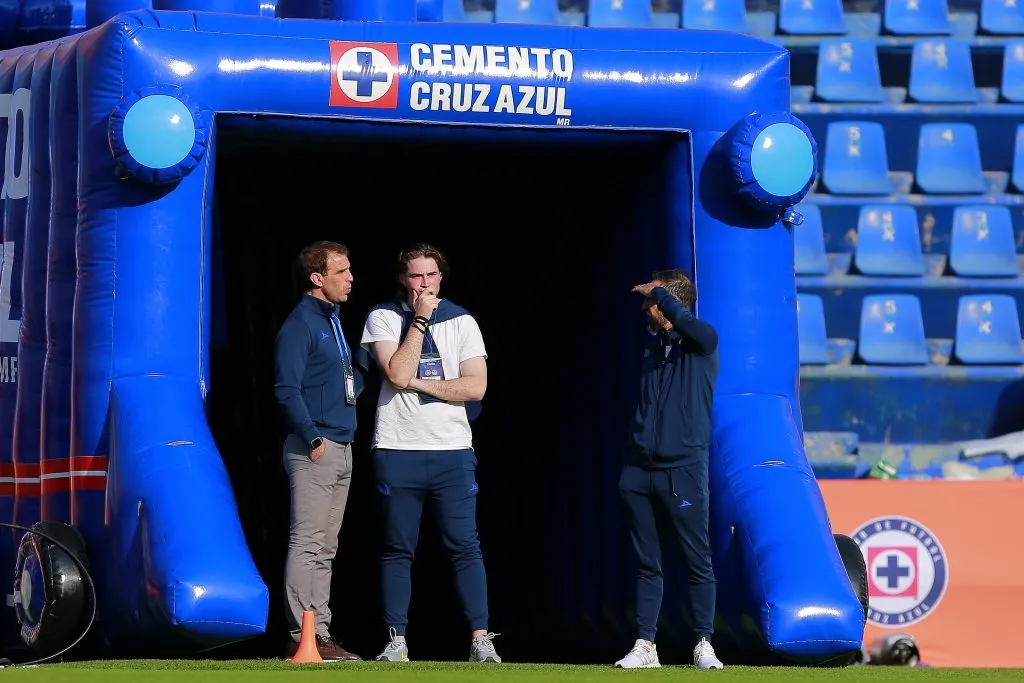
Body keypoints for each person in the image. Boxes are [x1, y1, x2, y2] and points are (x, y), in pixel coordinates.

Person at [355, 242, 501, 664]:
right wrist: (418, 320)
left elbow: (475, 387)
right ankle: (396, 639)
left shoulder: (463, 321)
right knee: (397, 547)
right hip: (398, 448)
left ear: (442, 277)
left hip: (452, 451)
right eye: (416, 276)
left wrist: (418, 384)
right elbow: (396, 371)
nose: (424, 284)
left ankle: (480, 639)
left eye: (431, 276)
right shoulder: (383, 317)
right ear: (403, 279)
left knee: (465, 545)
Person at [614, 269, 724, 671]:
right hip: (639, 470)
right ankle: (646, 645)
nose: (645, 309)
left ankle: (703, 642)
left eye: (650, 304)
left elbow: (696, 329)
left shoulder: (702, 344)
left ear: (666, 306)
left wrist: (660, 292)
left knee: (698, 560)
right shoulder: (652, 349)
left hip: (683, 470)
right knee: (647, 562)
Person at [274, 240, 364, 662]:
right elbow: (287, 391)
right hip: (316, 447)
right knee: (308, 542)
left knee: (326, 546)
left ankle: (320, 633)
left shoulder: (333, 321)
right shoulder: (301, 324)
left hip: (341, 446)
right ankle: (301, 633)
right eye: (341, 271)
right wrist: (312, 438)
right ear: (318, 279)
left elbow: (344, 380)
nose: (350, 278)